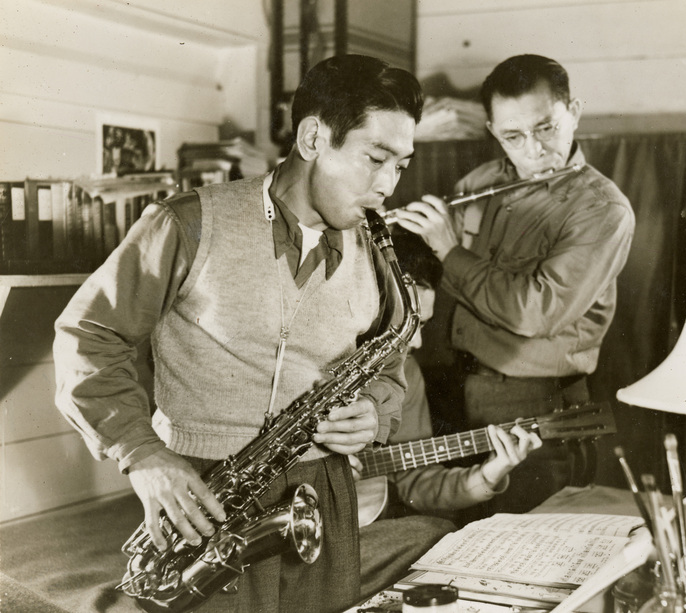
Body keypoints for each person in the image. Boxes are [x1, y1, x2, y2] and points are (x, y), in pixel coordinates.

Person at [53, 54, 423, 613]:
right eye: (376, 158)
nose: (388, 185)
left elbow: (390, 363)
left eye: (402, 165)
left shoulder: (375, 255)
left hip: (323, 498)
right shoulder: (185, 221)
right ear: (313, 137)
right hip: (203, 497)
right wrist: (142, 454)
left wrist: (375, 412)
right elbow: (87, 335)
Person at [393, 54, 635, 515]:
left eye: (546, 128)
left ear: (574, 112)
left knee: (526, 543)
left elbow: (535, 312)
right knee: (461, 533)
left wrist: (449, 249)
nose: (533, 149)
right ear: (491, 131)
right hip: (460, 391)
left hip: (537, 405)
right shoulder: (479, 183)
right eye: (512, 136)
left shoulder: (602, 208)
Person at [353, 231, 543, 599]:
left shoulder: (406, 374)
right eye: (410, 324)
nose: (418, 343)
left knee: (436, 532)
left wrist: (488, 474)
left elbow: (416, 483)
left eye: (422, 325)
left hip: (344, 539)